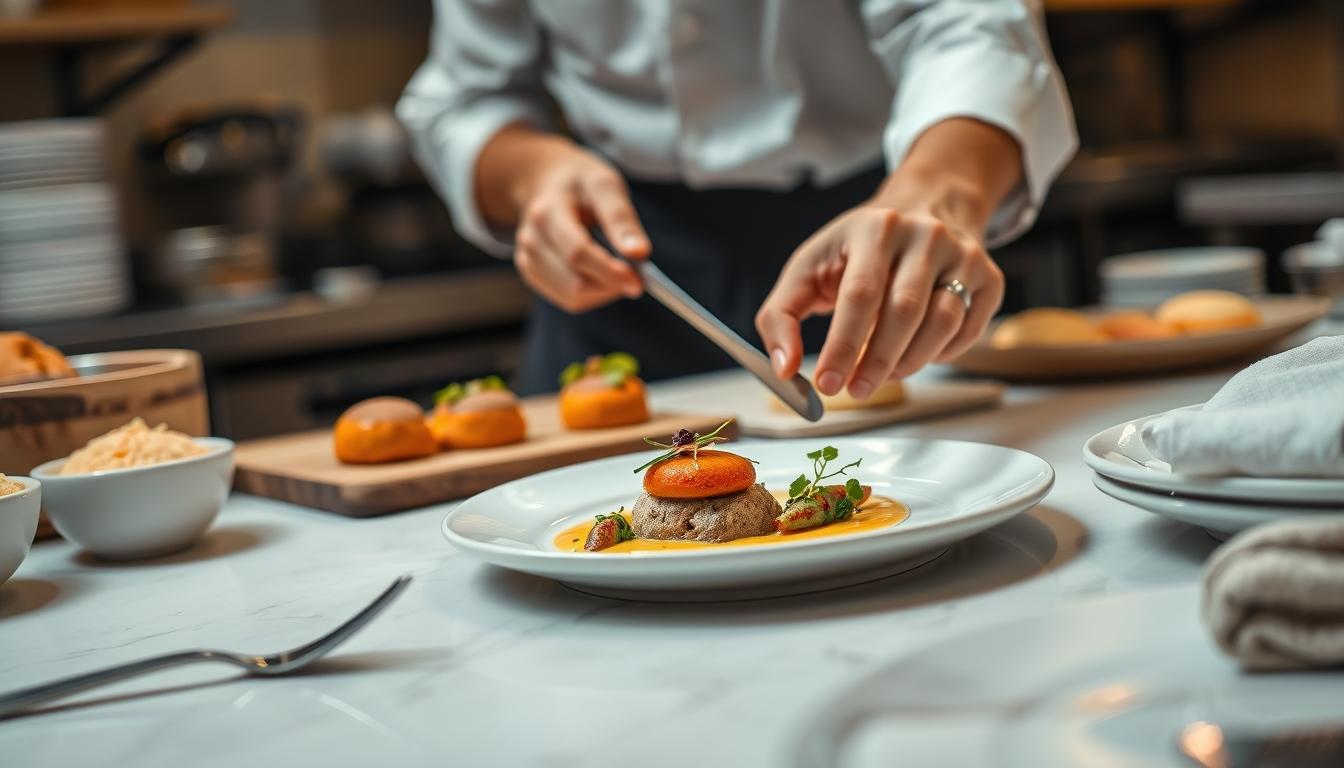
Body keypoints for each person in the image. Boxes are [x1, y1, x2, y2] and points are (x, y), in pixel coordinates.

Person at [398, 1, 1077, 397]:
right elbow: (464, 98)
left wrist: (936, 197)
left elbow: (969, 26)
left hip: (868, 268)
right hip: (621, 276)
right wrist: (532, 175)